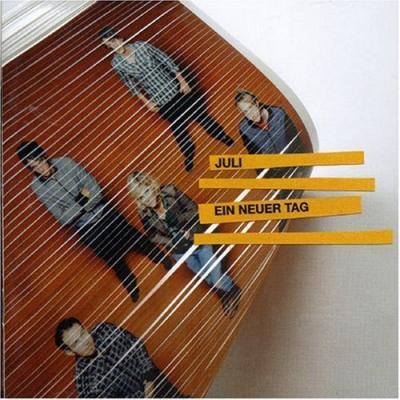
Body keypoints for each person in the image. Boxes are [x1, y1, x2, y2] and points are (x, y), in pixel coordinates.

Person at [16, 141, 173, 303]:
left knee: (131, 234)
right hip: (85, 226)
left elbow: (96, 191)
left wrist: (75, 207)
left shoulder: (66, 162)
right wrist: (83, 199)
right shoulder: (37, 187)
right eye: (34, 167)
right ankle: (129, 280)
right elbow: (62, 218)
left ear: (44, 155)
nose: (40, 168)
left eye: (40, 161)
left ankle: (159, 257)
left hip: (103, 210)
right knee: (109, 255)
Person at [99, 26, 235, 172]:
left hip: (175, 89)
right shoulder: (116, 63)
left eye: (113, 40)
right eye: (109, 45)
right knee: (178, 129)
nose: (113, 45)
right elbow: (130, 85)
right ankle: (188, 155)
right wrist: (147, 102)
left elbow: (166, 59)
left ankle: (222, 136)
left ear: (120, 38)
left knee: (201, 116)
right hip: (159, 98)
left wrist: (182, 81)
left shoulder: (142, 46)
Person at [127, 171, 241, 318]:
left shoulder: (171, 191)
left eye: (147, 191)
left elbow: (195, 210)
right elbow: (152, 235)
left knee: (215, 278)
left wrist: (179, 220)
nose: (147, 199)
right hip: (180, 251)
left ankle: (232, 289)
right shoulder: (143, 213)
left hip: (198, 241)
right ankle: (224, 294)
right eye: (141, 197)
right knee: (205, 276)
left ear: (152, 185)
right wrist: (171, 241)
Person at [55, 318, 186, 398]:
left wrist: (149, 377)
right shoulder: (83, 380)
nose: (85, 342)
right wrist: (144, 396)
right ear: (69, 352)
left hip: (156, 382)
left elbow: (135, 344)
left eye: (83, 333)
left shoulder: (104, 330)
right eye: (76, 342)